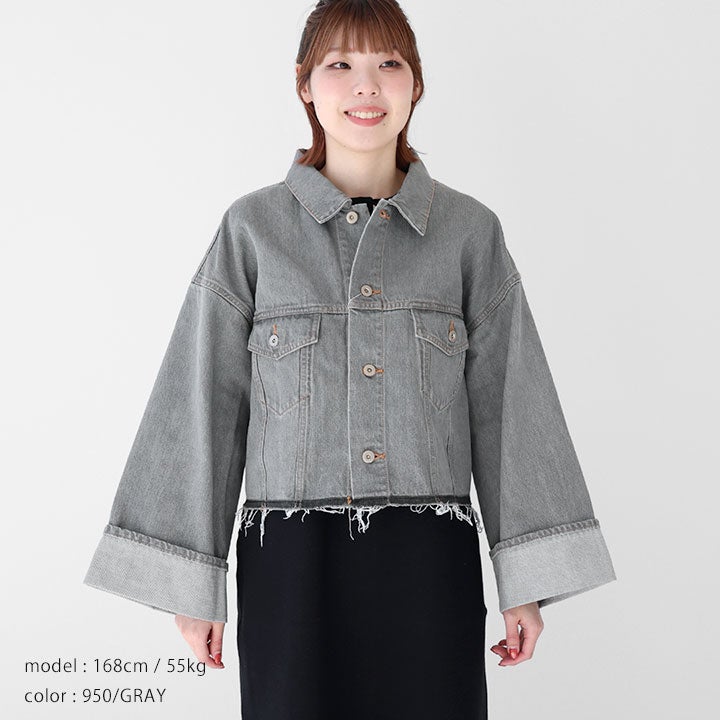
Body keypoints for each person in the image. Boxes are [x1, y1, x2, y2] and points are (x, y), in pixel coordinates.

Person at [84, 1, 617, 718]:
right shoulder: (252, 230)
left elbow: (511, 404)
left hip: (430, 565)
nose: (366, 85)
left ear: (416, 84)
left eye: (388, 64)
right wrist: (192, 585)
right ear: (304, 84)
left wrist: (525, 581)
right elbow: (202, 397)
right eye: (340, 65)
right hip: (289, 568)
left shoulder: (470, 233)